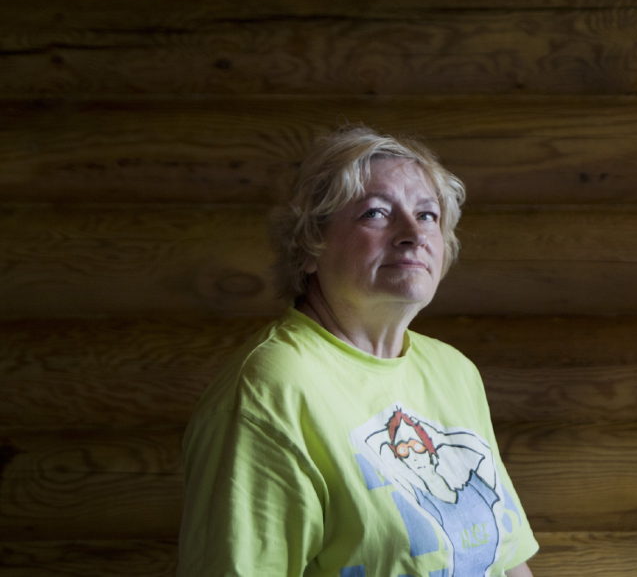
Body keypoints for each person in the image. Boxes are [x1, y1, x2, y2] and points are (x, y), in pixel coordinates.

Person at [178, 126, 537, 576]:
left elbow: (507, 560)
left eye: (427, 215)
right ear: (309, 247)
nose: (413, 233)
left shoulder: (453, 370)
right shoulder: (273, 386)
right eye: (376, 213)